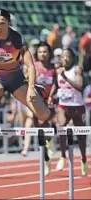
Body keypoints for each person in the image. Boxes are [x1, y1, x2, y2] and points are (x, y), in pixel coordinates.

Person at [48, 48, 88, 176]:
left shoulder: (77, 70)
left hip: (77, 106)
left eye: (68, 56)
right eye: (63, 56)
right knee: (61, 128)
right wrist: (50, 95)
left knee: (81, 136)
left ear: (72, 58)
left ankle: (83, 159)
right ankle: (63, 156)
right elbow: (56, 83)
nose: (65, 58)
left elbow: (80, 87)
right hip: (63, 105)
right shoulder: (58, 70)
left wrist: (65, 77)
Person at [21, 41, 57, 175]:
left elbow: (56, 84)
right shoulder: (33, 66)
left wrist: (51, 96)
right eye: (40, 52)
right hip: (36, 101)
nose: (43, 54)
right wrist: (28, 75)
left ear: (49, 53)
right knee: (39, 131)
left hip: (49, 101)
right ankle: (45, 156)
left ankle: (48, 146)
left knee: (44, 126)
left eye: (45, 52)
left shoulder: (54, 68)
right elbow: (25, 81)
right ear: (37, 53)